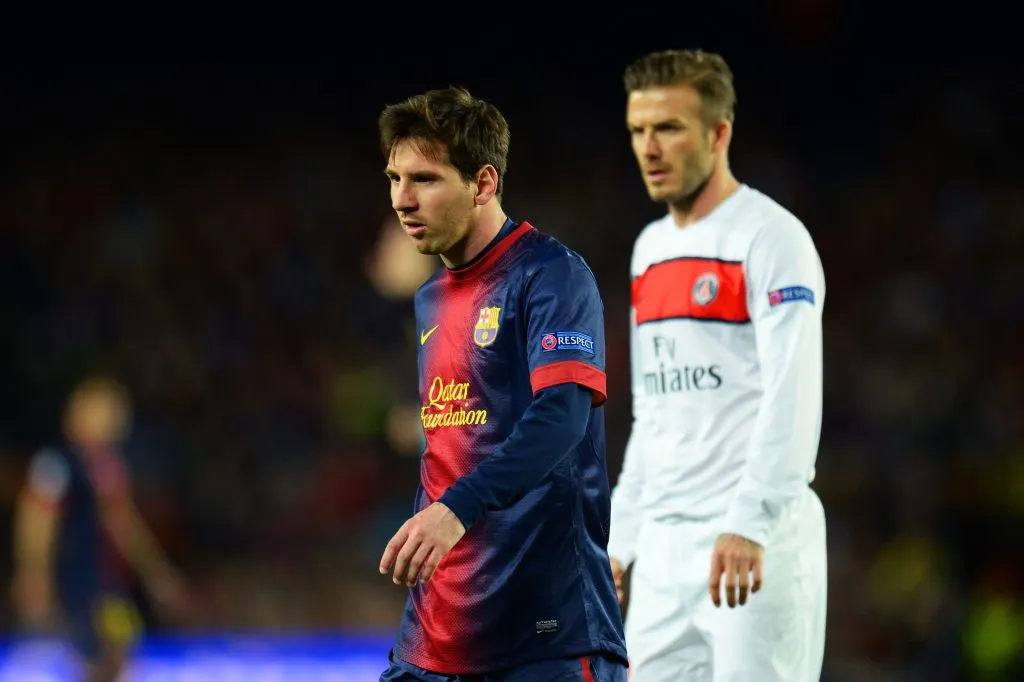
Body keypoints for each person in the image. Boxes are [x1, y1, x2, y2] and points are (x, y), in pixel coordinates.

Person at [375, 86, 628, 682]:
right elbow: (460, 436)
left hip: (544, 638)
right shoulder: (430, 297)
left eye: (425, 180)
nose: (401, 200)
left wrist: (455, 509)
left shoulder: (551, 275)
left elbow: (561, 419)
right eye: (393, 178)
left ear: (483, 183)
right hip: (436, 637)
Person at [607, 49, 828, 682]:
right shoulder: (648, 251)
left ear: (718, 132)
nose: (649, 147)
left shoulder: (770, 237)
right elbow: (654, 409)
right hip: (665, 550)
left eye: (668, 128)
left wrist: (749, 521)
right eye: (637, 131)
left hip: (752, 540)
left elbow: (794, 391)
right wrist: (622, 539)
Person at [11, 376, 192, 682]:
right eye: (104, 411)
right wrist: (34, 572)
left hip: (109, 583)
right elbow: (37, 519)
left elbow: (124, 524)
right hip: (76, 581)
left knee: (120, 653)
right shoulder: (55, 462)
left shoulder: (109, 466)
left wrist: (156, 573)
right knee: (96, 659)